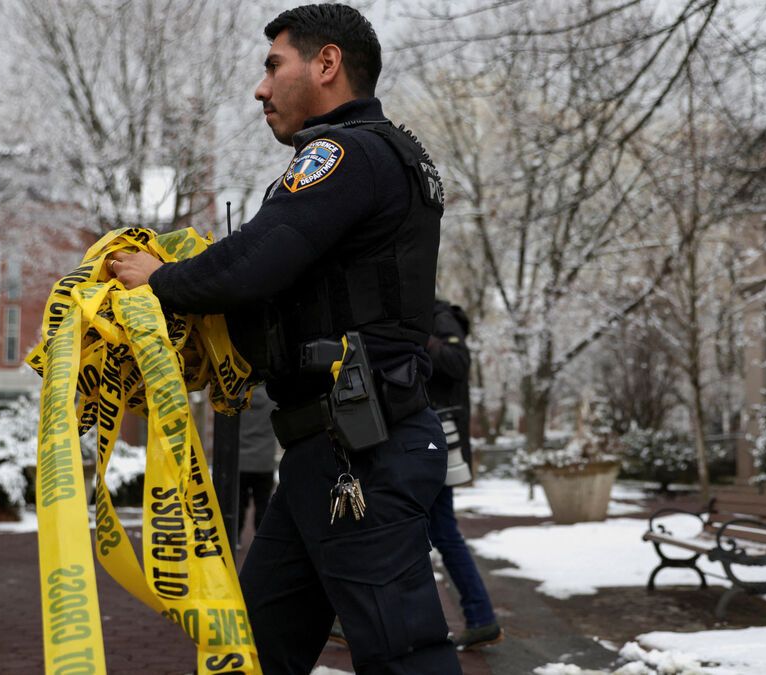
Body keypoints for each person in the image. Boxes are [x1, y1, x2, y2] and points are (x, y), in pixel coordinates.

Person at [110, 4, 459, 673]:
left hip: (361, 454)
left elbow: (257, 260)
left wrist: (161, 279)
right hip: (327, 452)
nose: (260, 87)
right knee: (258, 648)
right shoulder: (386, 155)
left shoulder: (344, 153)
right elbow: (284, 282)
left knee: (404, 657)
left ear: (326, 64)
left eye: (274, 66)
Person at [425, 299, 503, 650]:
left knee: (436, 531)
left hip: (436, 441)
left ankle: (481, 616)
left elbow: (457, 364)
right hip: (429, 441)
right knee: (438, 531)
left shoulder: (438, 318)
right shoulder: (435, 318)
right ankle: (480, 616)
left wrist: (422, 339)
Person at [236, 384, 277, 546]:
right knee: (263, 503)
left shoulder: (239, 398)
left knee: (238, 502)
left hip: (240, 461)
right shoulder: (272, 399)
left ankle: (236, 537)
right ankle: (261, 540)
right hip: (264, 461)